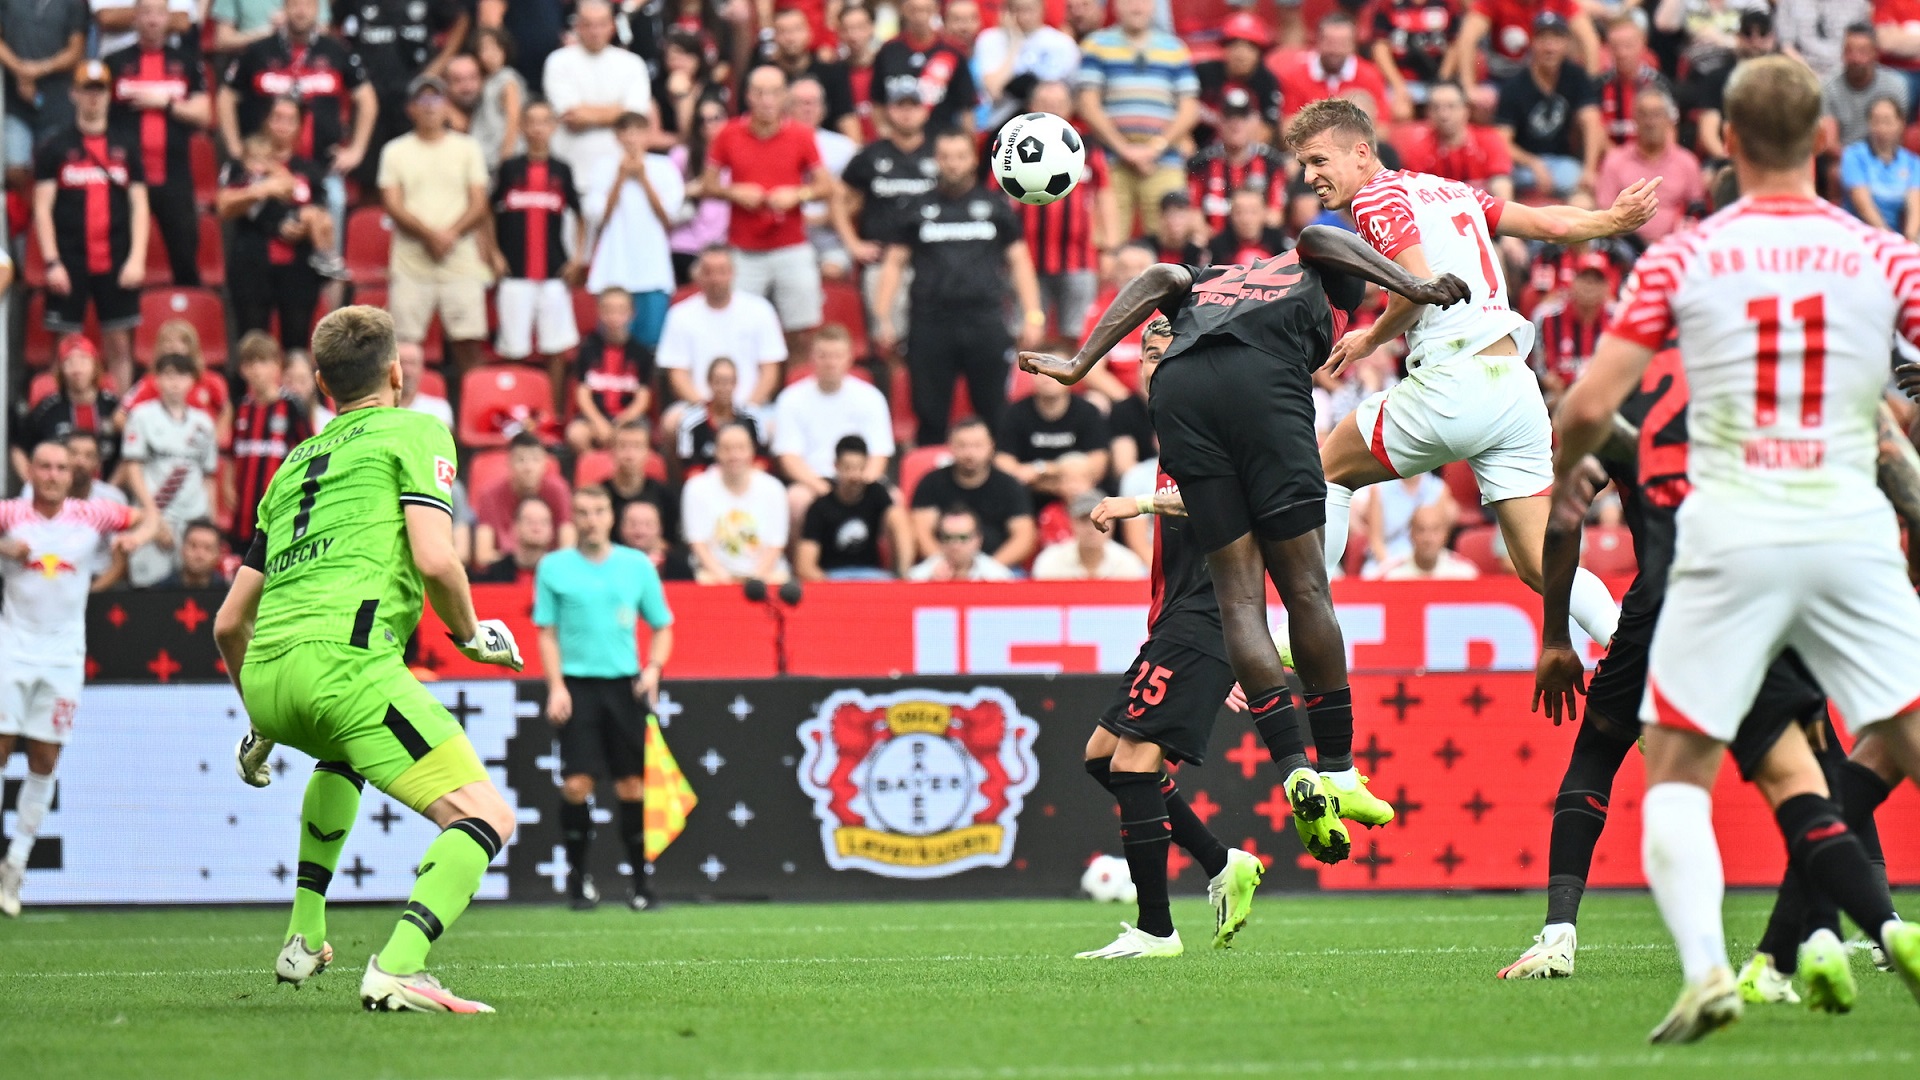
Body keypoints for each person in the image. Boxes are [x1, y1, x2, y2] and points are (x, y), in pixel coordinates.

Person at [1548, 55, 1920, 1041]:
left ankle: (1710, 970)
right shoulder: (1887, 258)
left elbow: (1591, 404)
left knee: (1675, 765)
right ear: (1824, 142)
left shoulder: (1681, 258)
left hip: (1728, 533)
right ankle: (1869, 930)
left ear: (1723, 140)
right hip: (1848, 524)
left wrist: (1569, 455)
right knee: (1904, 737)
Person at [1017, 224, 1476, 863]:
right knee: (1305, 587)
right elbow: (1320, 235)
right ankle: (1338, 770)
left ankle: (1292, 768)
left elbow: (1159, 279)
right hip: (1263, 386)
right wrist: (1414, 285)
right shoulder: (1315, 268)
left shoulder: (1214, 280)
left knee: (1239, 601)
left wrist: (1079, 364)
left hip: (1179, 392)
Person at [216, 304, 526, 1013]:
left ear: (323, 384)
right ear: (397, 370)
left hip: (266, 680)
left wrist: (261, 724)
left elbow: (229, 622)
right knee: (485, 819)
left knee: (343, 754)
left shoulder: (290, 465)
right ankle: (399, 966)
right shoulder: (415, 430)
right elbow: (436, 560)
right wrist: (473, 633)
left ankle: (304, 936)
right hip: (347, 670)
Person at [1287, 97, 1655, 665]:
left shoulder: (1376, 198)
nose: (1310, 178)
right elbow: (1549, 223)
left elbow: (1418, 284)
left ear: (1361, 153)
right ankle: (1635, 662)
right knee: (1540, 565)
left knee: (1326, 471)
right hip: (1514, 388)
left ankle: (1302, 633)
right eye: (1304, 167)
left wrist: (1370, 338)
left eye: (1318, 161)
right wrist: (1612, 220)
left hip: (1456, 378)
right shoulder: (1446, 189)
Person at [1070, 470, 1263, 959]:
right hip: (1177, 623)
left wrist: (1134, 503)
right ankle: (1221, 863)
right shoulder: (1177, 435)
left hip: (1203, 618)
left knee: (1131, 763)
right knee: (1102, 755)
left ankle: (1155, 929)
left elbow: (1218, 501)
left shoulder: (1209, 427)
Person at [0, 439, 154, 917]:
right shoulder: (9, 514)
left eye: (60, 467)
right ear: (31, 471)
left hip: (64, 654)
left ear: (73, 474)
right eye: (43, 465)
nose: (51, 474)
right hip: (12, 649)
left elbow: (149, 519)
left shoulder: (93, 515)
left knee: (45, 757)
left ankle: (15, 868)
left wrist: (135, 541)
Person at [535, 485, 673, 911]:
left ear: (611, 516)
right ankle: (579, 882)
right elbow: (546, 631)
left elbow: (663, 625)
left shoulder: (637, 566)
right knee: (577, 784)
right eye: (582, 512)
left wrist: (652, 669)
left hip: (624, 685)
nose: (591, 519)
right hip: (578, 686)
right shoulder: (554, 567)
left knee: (632, 785)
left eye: (598, 511)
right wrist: (556, 686)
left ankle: (640, 884)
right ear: (572, 518)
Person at [873, 129, 1043, 444]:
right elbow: (894, 264)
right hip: (930, 321)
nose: (953, 164)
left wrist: (1032, 314)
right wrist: (883, 316)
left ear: (973, 159)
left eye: (960, 157)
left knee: (994, 410)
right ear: (936, 160)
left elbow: (1020, 263)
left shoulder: (996, 207)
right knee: (930, 413)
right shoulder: (914, 208)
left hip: (985, 320)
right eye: (946, 157)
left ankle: (996, 479)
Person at [703, 66, 833, 359]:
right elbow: (707, 184)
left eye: (774, 92)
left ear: (785, 96)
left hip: (791, 244)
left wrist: (798, 194)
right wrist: (732, 192)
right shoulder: (728, 133)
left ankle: (793, 391)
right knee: (738, 327)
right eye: (759, 92)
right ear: (748, 96)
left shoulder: (801, 135)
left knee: (800, 329)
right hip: (744, 247)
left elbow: (826, 186)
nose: (766, 100)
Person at [36, 61, 149, 392]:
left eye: (99, 90)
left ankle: (121, 418)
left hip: (116, 258)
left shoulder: (126, 145)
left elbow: (139, 205)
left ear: (108, 95)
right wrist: (52, 261)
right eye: (87, 90)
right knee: (64, 347)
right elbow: (42, 208)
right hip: (70, 260)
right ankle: (61, 414)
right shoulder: (55, 148)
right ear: (74, 94)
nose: (94, 98)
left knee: (119, 345)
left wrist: (137, 258)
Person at [217, 0, 377, 233]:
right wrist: (234, 147)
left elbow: (367, 99)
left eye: (308, 5)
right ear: (284, 7)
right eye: (295, 5)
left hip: (321, 167)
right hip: (264, 168)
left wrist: (357, 150)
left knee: (327, 228)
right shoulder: (258, 50)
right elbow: (226, 97)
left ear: (318, 10)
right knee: (257, 233)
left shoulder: (336, 50)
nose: (301, 11)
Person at [380, 75, 493, 373]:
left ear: (448, 107)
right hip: (411, 262)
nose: (430, 107)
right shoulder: (395, 151)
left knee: (469, 343)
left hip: (459, 260)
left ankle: (468, 413)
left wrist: (449, 235)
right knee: (403, 346)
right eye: (423, 100)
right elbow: (392, 204)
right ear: (411, 109)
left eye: (437, 99)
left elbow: (479, 202)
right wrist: (431, 236)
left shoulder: (468, 148)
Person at [103, 0, 209, 287]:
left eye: (159, 13)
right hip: (126, 178)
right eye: (146, 13)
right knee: (121, 260)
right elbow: (97, 118)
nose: (152, 20)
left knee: (185, 257)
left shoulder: (186, 60)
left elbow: (204, 113)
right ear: (135, 17)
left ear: (168, 18)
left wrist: (165, 104)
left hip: (174, 177)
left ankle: (186, 318)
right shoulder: (113, 62)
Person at [1074, 0, 1196, 236]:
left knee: (1173, 239)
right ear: (1115, 6)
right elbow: (1087, 104)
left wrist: (1154, 147)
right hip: (1110, 161)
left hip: (1164, 160)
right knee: (1108, 239)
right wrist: (1124, 149)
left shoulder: (1175, 49)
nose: (1136, 7)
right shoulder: (1096, 45)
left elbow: (1189, 109)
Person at [218, 126, 342, 352]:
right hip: (252, 264)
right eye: (277, 118)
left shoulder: (303, 170)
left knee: (297, 343)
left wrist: (300, 228)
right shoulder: (238, 170)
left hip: (298, 267)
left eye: (289, 120)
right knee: (252, 341)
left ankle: (328, 259)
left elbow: (312, 203)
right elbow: (224, 206)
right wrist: (260, 191)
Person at [835, 86, 936, 351]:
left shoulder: (940, 153)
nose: (906, 114)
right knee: (887, 340)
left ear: (924, 111)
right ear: (889, 111)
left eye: (913, 106)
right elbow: (837, 199)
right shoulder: (871, 155)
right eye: (900, 106)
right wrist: (852, 243)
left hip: (931, 261)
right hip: (881, 258)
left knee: (930, 341)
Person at [491, 98, 586, 378]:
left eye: (544, 121)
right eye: (531, 121)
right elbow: (487, 211)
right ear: (521, 126)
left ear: (554, 126)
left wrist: (578, 257)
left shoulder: (562, 170)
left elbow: (580, 216)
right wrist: (493, 253)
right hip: (514, 273)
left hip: (554, 272)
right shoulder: (509, 168)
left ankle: (553, 414)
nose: (537, 128)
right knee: (514, 349)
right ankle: (516, 410)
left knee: (555, 349)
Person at [336, 0, 467, 184]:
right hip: (371, 98)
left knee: (417, 175)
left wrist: (438, 65)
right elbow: (333, 26)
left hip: (415, 97)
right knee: (369, 178)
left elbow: (461, 19)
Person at [585, 111, 685, 348]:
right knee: (613, 343)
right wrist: (620, 178)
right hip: (614, 269)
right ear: (617, 137)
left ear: (648, 135)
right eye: (626, 132)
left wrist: (643, 178)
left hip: (653, 270)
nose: (632, 139)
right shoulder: (603, 168)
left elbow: (668, 216)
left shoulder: (664, 167)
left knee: (652, 345)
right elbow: (599, 217)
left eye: (638, 132)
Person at [656, 246, 786, 426]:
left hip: (752, 406)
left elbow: (770, 370)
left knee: (777, 427)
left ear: (733, 273)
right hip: (697, 407)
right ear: (699, 275)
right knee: (671, 423)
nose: (716, 279)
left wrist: (745, 410)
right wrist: (707, 410)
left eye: (722, 272)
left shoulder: (760, 310)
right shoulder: (680, 315)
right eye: (709, 272)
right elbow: (677, 374)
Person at [773, 325, 893, 521]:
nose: (830, 362)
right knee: (796, 500)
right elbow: (788, 457)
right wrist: (823, 489)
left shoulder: (871, 398)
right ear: (812, 358)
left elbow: (879, 454)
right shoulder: (790, 398)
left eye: (837, 356)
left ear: (849, 358)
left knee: (894, 501)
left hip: (860, 480)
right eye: (823, 355)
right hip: (812, 481)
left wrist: (859, 487)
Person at [120, 353, 219, 588]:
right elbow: (132, 467)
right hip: (154, 515)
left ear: (193, 381)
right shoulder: (141, 416)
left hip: (192, 520)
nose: (175, 383)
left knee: (195, 589)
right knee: (150, 590)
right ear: (156, 380)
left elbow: (209, 476)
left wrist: (210, 522)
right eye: (168, 375)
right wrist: (153, 516)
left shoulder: (203, 422)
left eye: (182, 375)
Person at [1494, 13, 1605, 198]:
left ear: (1567, 43)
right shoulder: (1514, 86)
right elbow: (1501, 140)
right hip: (1522, 166)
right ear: (1532, 42)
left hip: (1564, 164)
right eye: (1543, 39)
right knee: (1501, 186)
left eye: (1556, 39)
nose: (1550, 47)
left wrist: (1590, 169)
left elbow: (1592, 121)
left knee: (1583, 197)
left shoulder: (1576, 77)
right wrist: (1533, 163)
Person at [908, 418, 1036, 569]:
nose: (970, 453)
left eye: (977, 445)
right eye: (962, 446)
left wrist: (989, 568)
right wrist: (942, 565)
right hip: (940, 570)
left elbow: (1024, 537)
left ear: (991, 446)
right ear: (951, 447)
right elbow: (921, 533)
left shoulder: (1009, 486)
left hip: (1000, 569)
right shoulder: (931, 483)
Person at [228, 332, 315, 553]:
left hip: (280, 508)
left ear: (277, 366)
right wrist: (228, 486)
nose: (256, 370)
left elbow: (311, 452)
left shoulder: (292, 407)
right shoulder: (240, 408)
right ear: (242, 369)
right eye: (250, 363)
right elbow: (230, 453)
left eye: (263, 362)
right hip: (245, 511)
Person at [1595, 87, 1705, 246]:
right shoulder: (1615, 161)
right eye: (1644, 114)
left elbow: (1697, 212)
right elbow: (1604, 214)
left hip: (1676, 246)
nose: (1650, 122)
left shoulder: (1687, 162)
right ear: (1634, 119)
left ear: (1669, 120)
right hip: (1627, 247)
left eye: (1657, 114)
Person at [681, 422, 790, 585]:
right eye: (726, 449)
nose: (734, 455)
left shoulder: (773, 488)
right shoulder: (696, 488)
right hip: (714, 575)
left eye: (741, 448)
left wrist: (754, 580)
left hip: (765, 575)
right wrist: (724, 579)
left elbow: (776, 544)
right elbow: (697, 543)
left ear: (752, 451)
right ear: (716, 452)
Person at [796, 435, 911, 581]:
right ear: (836, 465)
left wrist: (901, 573)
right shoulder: (820, 507)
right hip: (832, 577)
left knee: (898, 513)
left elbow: (897, 521)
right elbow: (805, 565)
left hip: (872, 575)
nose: (854, 475)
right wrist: (831, 586)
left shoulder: (876, 494)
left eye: (860, 468)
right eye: (848, 468)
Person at [0, 0, 87, 189]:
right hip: (15, 102)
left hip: (58, 102)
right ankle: (36, 214)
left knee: (57, 167)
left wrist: (39, 69)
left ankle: (46, 214)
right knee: (14, 170)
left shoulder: (73, 4)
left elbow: (76, 51)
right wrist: (21, 70)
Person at [10, 336, 119, 482]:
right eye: (69, 362)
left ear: (95, 366)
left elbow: (129, 456)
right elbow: (19, 448)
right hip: (56, 493)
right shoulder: (47, 409)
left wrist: (112, 489)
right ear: (61, 370)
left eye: (83, 360)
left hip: (104, 492)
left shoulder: (114, 407)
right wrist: (32, 484)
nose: (77, 368)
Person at [1187, 87, 1289, 236]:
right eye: (1229, 117)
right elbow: (1194, 215)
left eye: (1242, 117)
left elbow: (1275, 216)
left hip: (1258, 249)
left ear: (1254, 121)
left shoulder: (1272, 163)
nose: (1236, 124)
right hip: (1214, 248)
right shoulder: (1201, 164)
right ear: (1219, 121)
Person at [995, 373, 1110, 504]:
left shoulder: (1088, 412)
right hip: (1027, 497)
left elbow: (1097, 468)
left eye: (1055, 372)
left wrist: (1040, 469)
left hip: (1078, 496)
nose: (1047, 378)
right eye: (1041, 372)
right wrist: (1067, 474)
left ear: (1072, 375)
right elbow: (1004, 467)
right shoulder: (1014, 413)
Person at [745, 8, 857, 139]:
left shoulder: (831, 72)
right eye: (783, 31)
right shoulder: (763, 75)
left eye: (797, 30)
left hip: (823, 145)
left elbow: (846, 118)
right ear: (774, 37)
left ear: (809, 33)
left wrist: (855, 152)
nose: (791, 38)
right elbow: (747, 120)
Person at [568, 290, 654, 456]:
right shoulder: (587, 349)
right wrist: (599, 422)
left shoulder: (642, 353)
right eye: (608, 310)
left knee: (639, 436)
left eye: (621, 310)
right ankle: (593, 472)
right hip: (594, 417)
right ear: (599, 312)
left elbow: (643, 398)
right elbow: (582, 393)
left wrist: (621, 424)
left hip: (630, 419)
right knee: (576, 434)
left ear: (631, 313)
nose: (614, 316)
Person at [1394, 80, 1515, 199]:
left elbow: (1501, 184)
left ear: (1466, 110)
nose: (1444, 115)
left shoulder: (1489, 139)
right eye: (1436, 108)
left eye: (1451, 107)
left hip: (1484, 214)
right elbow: (1417, 196)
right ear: (1428, 113)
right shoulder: (1418, 148)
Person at [872, 0, 977, 136]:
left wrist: (968, 143)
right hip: (898, 142)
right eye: (913, 10)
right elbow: (877, 101)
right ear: (903, 10)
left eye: (926, 10)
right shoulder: (888, 51)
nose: (920, 17)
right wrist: (885, 134)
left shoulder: (952, 52)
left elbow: (966, 108)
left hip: (941, 143)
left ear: (936, 10)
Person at [972, 0, 1081, 131]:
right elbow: (994, 90)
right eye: (1017, 10)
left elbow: (1072, 95)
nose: (1024, 16)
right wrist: (1015, 43)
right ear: (1006, 11)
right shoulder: (990, 39)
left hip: (1052, 124)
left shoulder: (1062, 43)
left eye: (1029, 9)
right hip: (1003, 123)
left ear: (1042, 9)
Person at [1275, 13, 1400, 123]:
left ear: (1353, 45)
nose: (1335, 50)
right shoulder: (1296, 76)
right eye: (1330, 42)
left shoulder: (1370, 76)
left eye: (1342, 43)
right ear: (1317, 41)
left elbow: (1383, 128)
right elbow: (1287, 127)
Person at [473, 432, 574, 567]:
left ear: (545, 462)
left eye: (535, 460)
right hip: (505, 572)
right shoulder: (490, 494)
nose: (528, 468)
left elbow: (568, 550)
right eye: (521, 460)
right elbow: (483, 555)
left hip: (551, 569)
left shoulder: (559, 491)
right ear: (509, 463)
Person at [1530, 254, 1614, 408]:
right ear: (1572, 282)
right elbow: (1541, 369)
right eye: (1584, 278)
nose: (1589, 285)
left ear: (1607, 287)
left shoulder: (1617, 319)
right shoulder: (1546, 317)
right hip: (1558, 395)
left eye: (1597, 280)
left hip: (1603, 398)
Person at [1194, 12, 1282, 147]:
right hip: (1200, 151)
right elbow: (1184, 111)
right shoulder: (1203, 73)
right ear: (1224, 48)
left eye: (1250, 47)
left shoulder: (1266, 82)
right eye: (1234, 45)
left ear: (1260, 53)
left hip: (1244, 155)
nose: (1241, 54)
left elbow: (1266, 131)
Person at [1841, 95, 1920, 239]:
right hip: (1859, 234)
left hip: (1897, 237)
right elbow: (1863, 205)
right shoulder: (1853, 155)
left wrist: (1909, 240)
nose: (1881, 128)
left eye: (1887, 121)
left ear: (1901, 124)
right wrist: (1887, 239)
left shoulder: (1912, 162)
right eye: (1876, 121)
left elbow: (1915, 208)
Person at [1822, 22, 1910, 150]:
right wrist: (1857, 162)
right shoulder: (1829, 86)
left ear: (1875, 54)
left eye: (1862, 51)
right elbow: (1830, 144)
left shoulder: (1894, 85)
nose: (1855, 58)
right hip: (1844, 159)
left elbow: (1897, 138)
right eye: (1849, 51)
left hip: (1883, 156)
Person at [675, 357, 769, 470]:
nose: (724, 387)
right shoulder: (690, 422)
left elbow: (761, 460)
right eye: (719, 381)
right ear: (709, 382)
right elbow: (691, 468)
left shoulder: (753, 417)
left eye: (729, 381)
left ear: (736, 382)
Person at [1594, 13, 1672, 147]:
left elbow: (1669, 132)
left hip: (1651, 159)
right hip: (1610, 160)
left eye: (1628, 46)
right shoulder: (1598, 85)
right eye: (1616, 47)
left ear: (1642, 44)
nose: (1622, 53)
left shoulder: (1659, 84)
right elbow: (1594, 132)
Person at [1032, 491, 1147, 580]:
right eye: (1084, 520)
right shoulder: (1050, 561)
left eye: (1101, 519)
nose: (1092, 528)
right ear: (1071, 522)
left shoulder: (1127, 562)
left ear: (1113, 523)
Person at [907, 505, 1015, 581]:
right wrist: (931, 587)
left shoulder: (996, 577)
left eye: (963, 538)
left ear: (978, 540)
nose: (955, 545)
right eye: (948, 537)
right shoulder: (924, 575)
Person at [1373, 503, 1477, 580]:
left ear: (1446, 535)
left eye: (1435, 530)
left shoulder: (1465, 575)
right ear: (1411, 534)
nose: (1428, 538)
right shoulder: (1390, 575)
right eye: (1421, 530)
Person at [473, 495, 553, 584]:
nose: (536, 527)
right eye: (529, 521)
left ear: (552, 530)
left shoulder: (560, 575)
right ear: (515, 527)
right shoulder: (492, 576)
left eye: (543, 522)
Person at [1206, 188, 1292, 265]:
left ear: (1264, 213)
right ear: (1230, 215)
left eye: (1253, 212)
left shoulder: (1278, 241)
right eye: (1239, 212)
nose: (1246, 219)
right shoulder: (1218, 245)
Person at [618, 498, 694, 581]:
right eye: (633, 524)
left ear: (660, 528)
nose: (640, 530)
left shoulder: (679, 566)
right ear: (621, 527)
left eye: (648, 524)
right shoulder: (609, 562)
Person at [153, 518, 229, 589]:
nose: (199, 554)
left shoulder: (229, 594)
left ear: (217, 554)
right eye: (193, 546)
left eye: (207, 548)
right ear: (182, 549)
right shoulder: (160, 591)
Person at [397, 342, 452, 429]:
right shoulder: (379, 410)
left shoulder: (439, 409)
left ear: (421, 368)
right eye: (401, 363)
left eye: (412, 363)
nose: (407, 371)